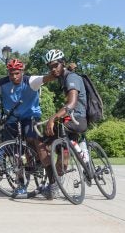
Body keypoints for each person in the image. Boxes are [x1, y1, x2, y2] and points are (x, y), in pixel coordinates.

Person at [0, 58, 55, 195]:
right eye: (11, 73)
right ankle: (21, 183)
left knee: (32, 139)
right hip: (12, 118)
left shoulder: (30, 81)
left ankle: (39, 164)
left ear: (22, 72)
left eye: (17, 73)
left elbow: (49, 77)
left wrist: (66, 70)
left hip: (30, 116)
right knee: (15, 152)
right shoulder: (3, 82)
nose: (14, 76)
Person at [40, 49, 88, 199]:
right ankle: (77, 152)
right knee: (48, 140)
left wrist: (53, 118)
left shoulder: (70, 78)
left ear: (62, 63)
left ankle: (56, 183)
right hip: (70, 118)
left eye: (55, 65)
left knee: (56, 135)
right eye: (50, 67)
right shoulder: (63, 76)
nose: (53, 69)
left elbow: (72, 103)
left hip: (78, 118)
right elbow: (46, 78)